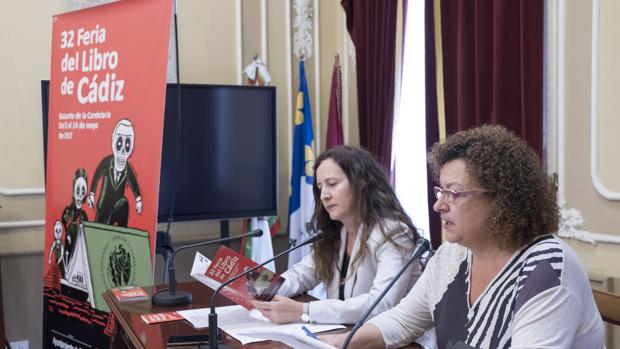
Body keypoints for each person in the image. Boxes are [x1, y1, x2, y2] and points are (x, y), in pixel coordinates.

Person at [323, 125, 605, 349]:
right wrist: (340, 342)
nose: (439, 205)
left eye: (454, 193)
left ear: (501, 199)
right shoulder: (452, 254)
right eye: (440, 191)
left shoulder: (546, 265)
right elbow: (403, 320)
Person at [252, 145, 423, 325]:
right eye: (320, 187)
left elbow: (380, 304)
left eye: (332, 184)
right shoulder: (336, 233)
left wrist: (303, 311)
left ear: (361, 184)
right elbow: (300, 276)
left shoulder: (393, 233)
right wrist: (255, 286)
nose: (324, 195)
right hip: (344, 335)